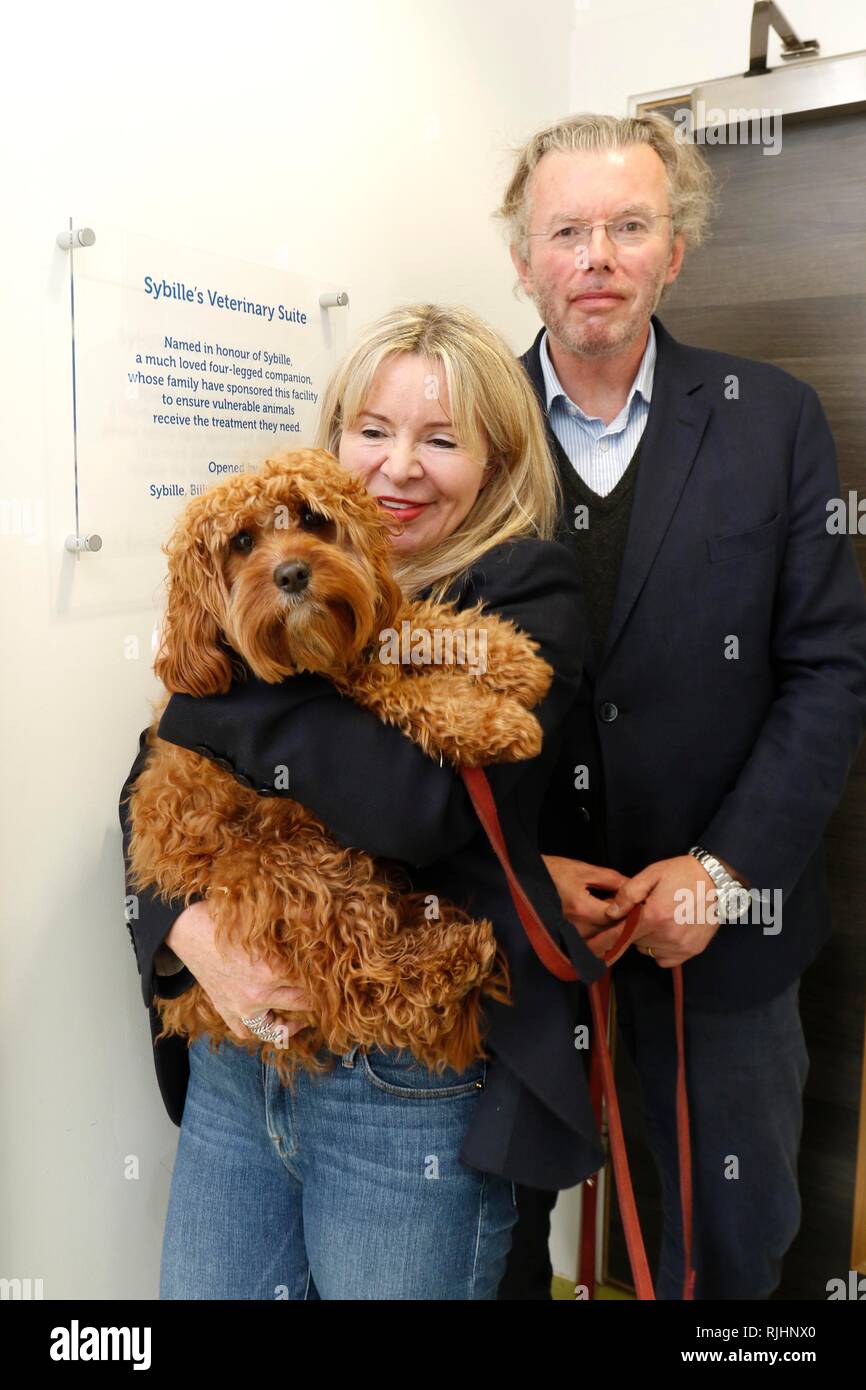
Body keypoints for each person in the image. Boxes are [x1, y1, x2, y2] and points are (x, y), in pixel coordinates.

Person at [119, 302, 608, 1301]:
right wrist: (190, 933)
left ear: (497, 460)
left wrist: (218, 695)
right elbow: (142, 788)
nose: (397, 466)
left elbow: (411, 809)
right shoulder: (274, 565)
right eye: (372, 431)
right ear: (336, 435)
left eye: (441, 439)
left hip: (406, 1078)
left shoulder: (523, 591)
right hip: (236, 1053)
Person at [491, 111, 866, 1300]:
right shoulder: (465, 433)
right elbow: (420, 694)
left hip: (729, 940)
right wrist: (514, 867)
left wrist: (720, 870)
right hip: (521, 929)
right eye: (566, 230)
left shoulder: (776, 418)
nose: (596, 254)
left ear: (674, 249)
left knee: (727, 1246)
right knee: (493, 1237)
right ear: (523, 257)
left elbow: (828, 669)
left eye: (628, 225)